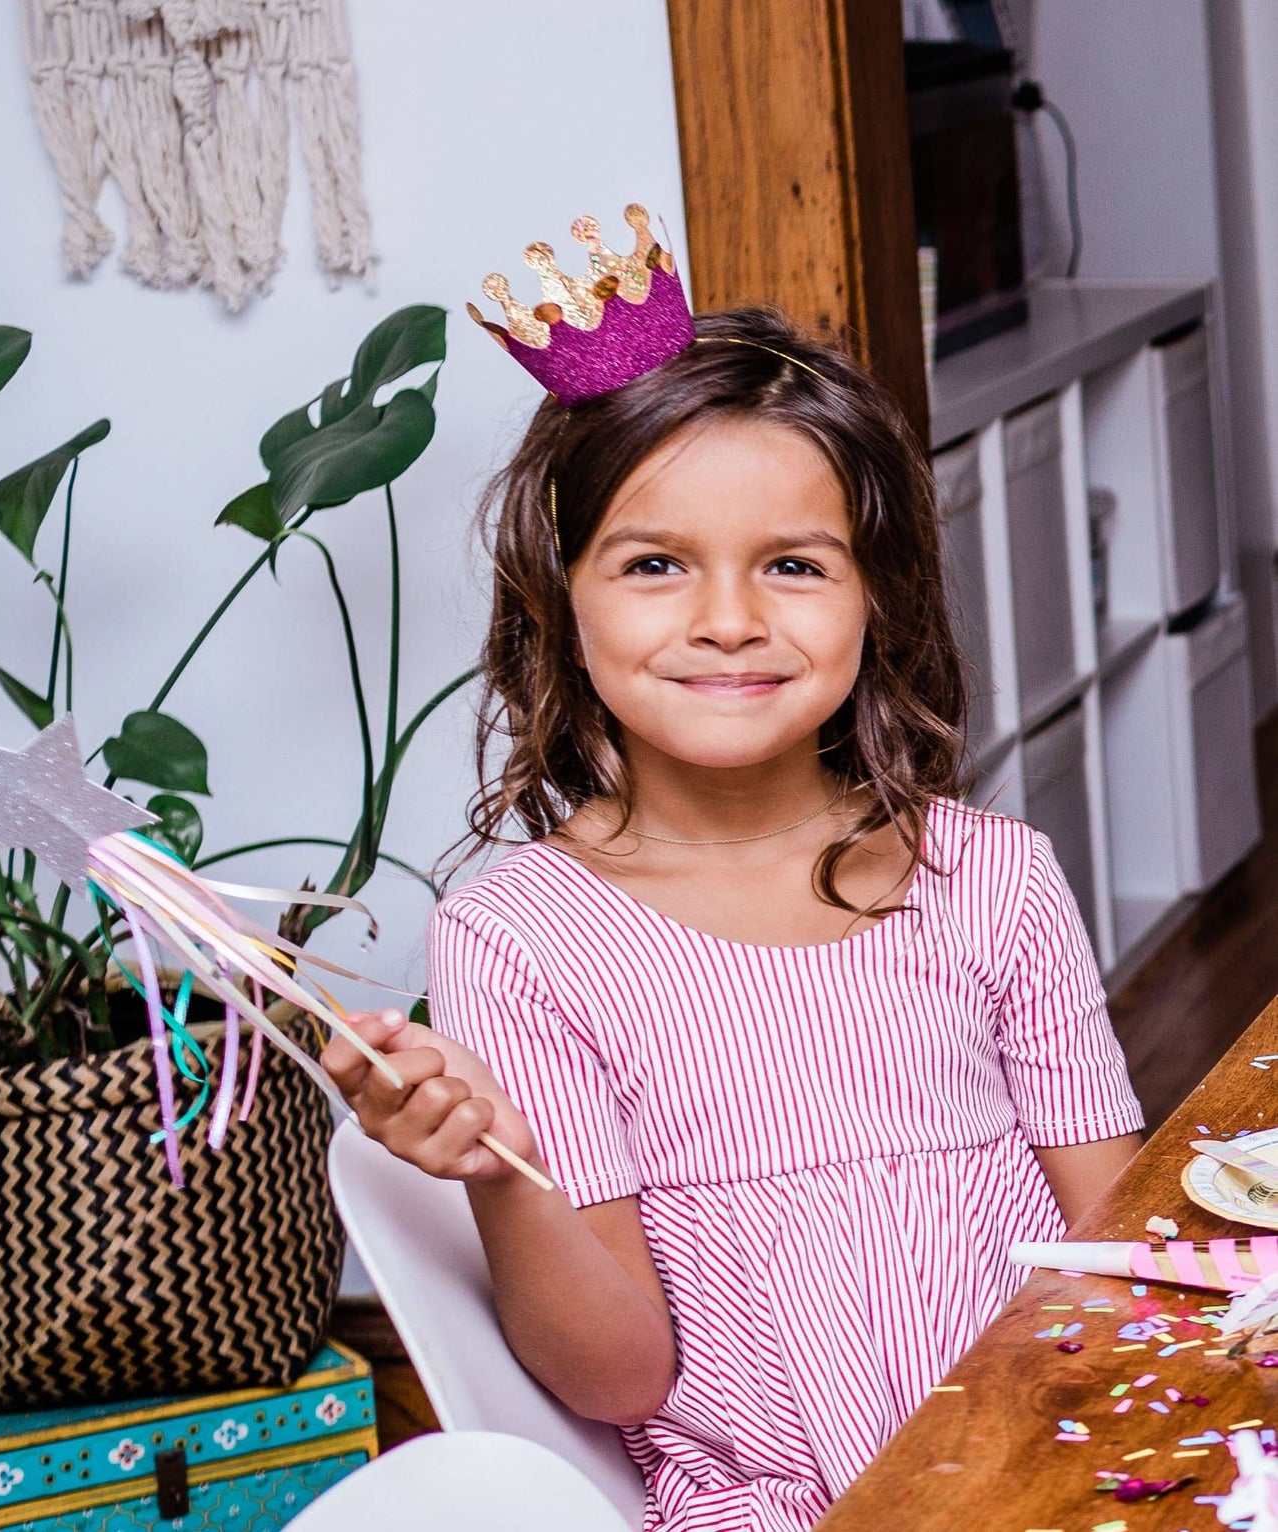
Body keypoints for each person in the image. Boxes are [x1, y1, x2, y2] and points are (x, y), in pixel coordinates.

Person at [322, 212, 1144, 1530]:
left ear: (874, 596)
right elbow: (616, 1373)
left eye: (791, 566)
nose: (726, 620)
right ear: (561, 598)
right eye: (654, 564)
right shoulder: (519, 936)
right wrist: (497, 1165)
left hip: (1057, 1464)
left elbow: (1126, 1239)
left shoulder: (992, 880)